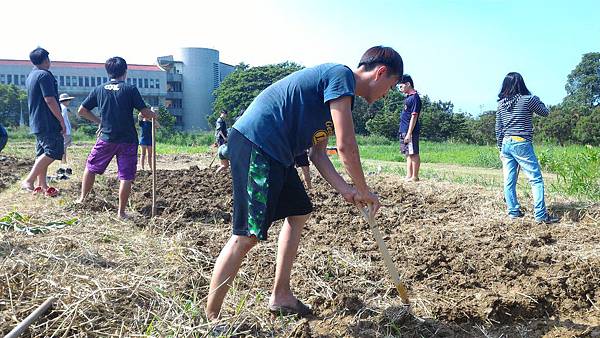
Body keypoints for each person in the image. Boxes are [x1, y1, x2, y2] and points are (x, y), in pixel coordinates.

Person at [205, 46, 403, 320]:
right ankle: (210, 319)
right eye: (390, 87)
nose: (386, 95)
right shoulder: (340, 76)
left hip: (278, 152)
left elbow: (318, 154)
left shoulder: (339, 95)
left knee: (299, 211)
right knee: (246, 235)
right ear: (380, 72)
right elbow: (346, 146)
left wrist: (349, 191)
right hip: (257, 144)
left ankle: (281, 295)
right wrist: (365, 190)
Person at [77, 57, 157, 219]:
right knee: (126, 176)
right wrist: (154, 115)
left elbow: (81, 110)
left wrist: (100, 121)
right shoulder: (130, 89)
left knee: (90, 167)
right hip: (128, 140)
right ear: (125, 71)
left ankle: (82, 199)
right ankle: (121, 213)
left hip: (106, 137)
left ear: (108, 72)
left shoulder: (99, 89)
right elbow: (145, 113)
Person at [496, 72, 559, 224]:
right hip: (521, 142)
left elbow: (498, 128)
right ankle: (540, 216)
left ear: (505, 85)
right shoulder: (528, 100)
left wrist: (500, 148)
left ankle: (513, 212)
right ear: (521, 84)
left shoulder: (501, 104)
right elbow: (545, 112)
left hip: (506, 142)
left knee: (509, 180)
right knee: (535, 180)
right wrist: (536, 98)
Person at [21, 47, 65, 197]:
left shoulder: (31, 76)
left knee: (42, 153)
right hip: (47, 121)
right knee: (54, 150)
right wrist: (61, 120)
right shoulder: (45, 75)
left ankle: (43, 185)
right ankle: (29, 180)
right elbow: (50, 99)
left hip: (36, 121)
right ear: (46, 60)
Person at [398, 74, 421, 182]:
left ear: (408, 84)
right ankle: (409, 175)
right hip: (403, 129)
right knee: (408, 154)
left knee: (413, 153)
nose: (400, 89)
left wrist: (409, 133)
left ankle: (415, 176)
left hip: (410, 131)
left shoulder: (415, 98)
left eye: (401, 86)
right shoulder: (408, 98)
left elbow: (414, 116)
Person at [58, 93, 75, 175]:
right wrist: (64, 128)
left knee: (63, 146)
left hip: (63, 130)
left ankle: (63, 160)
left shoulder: (60, 107)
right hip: (66, 131)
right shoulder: (64, 108)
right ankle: (63, 160)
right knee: (64, 146)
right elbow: (63, 119)